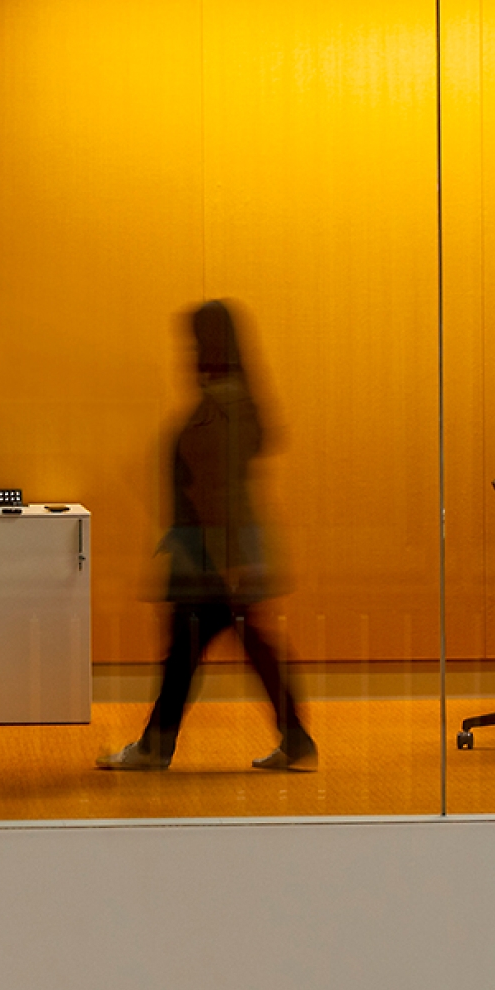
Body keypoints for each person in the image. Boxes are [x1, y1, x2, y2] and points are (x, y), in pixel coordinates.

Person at [98, 300, 317, 773]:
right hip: (219, 552)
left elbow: (219, 491)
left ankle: (156, 747)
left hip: (212, 556)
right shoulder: (235, 400)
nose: (187, 351)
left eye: (194, 341)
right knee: (241, 650)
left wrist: (234, 563)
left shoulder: (221, 406)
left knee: (185, 657)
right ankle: (296, 741)